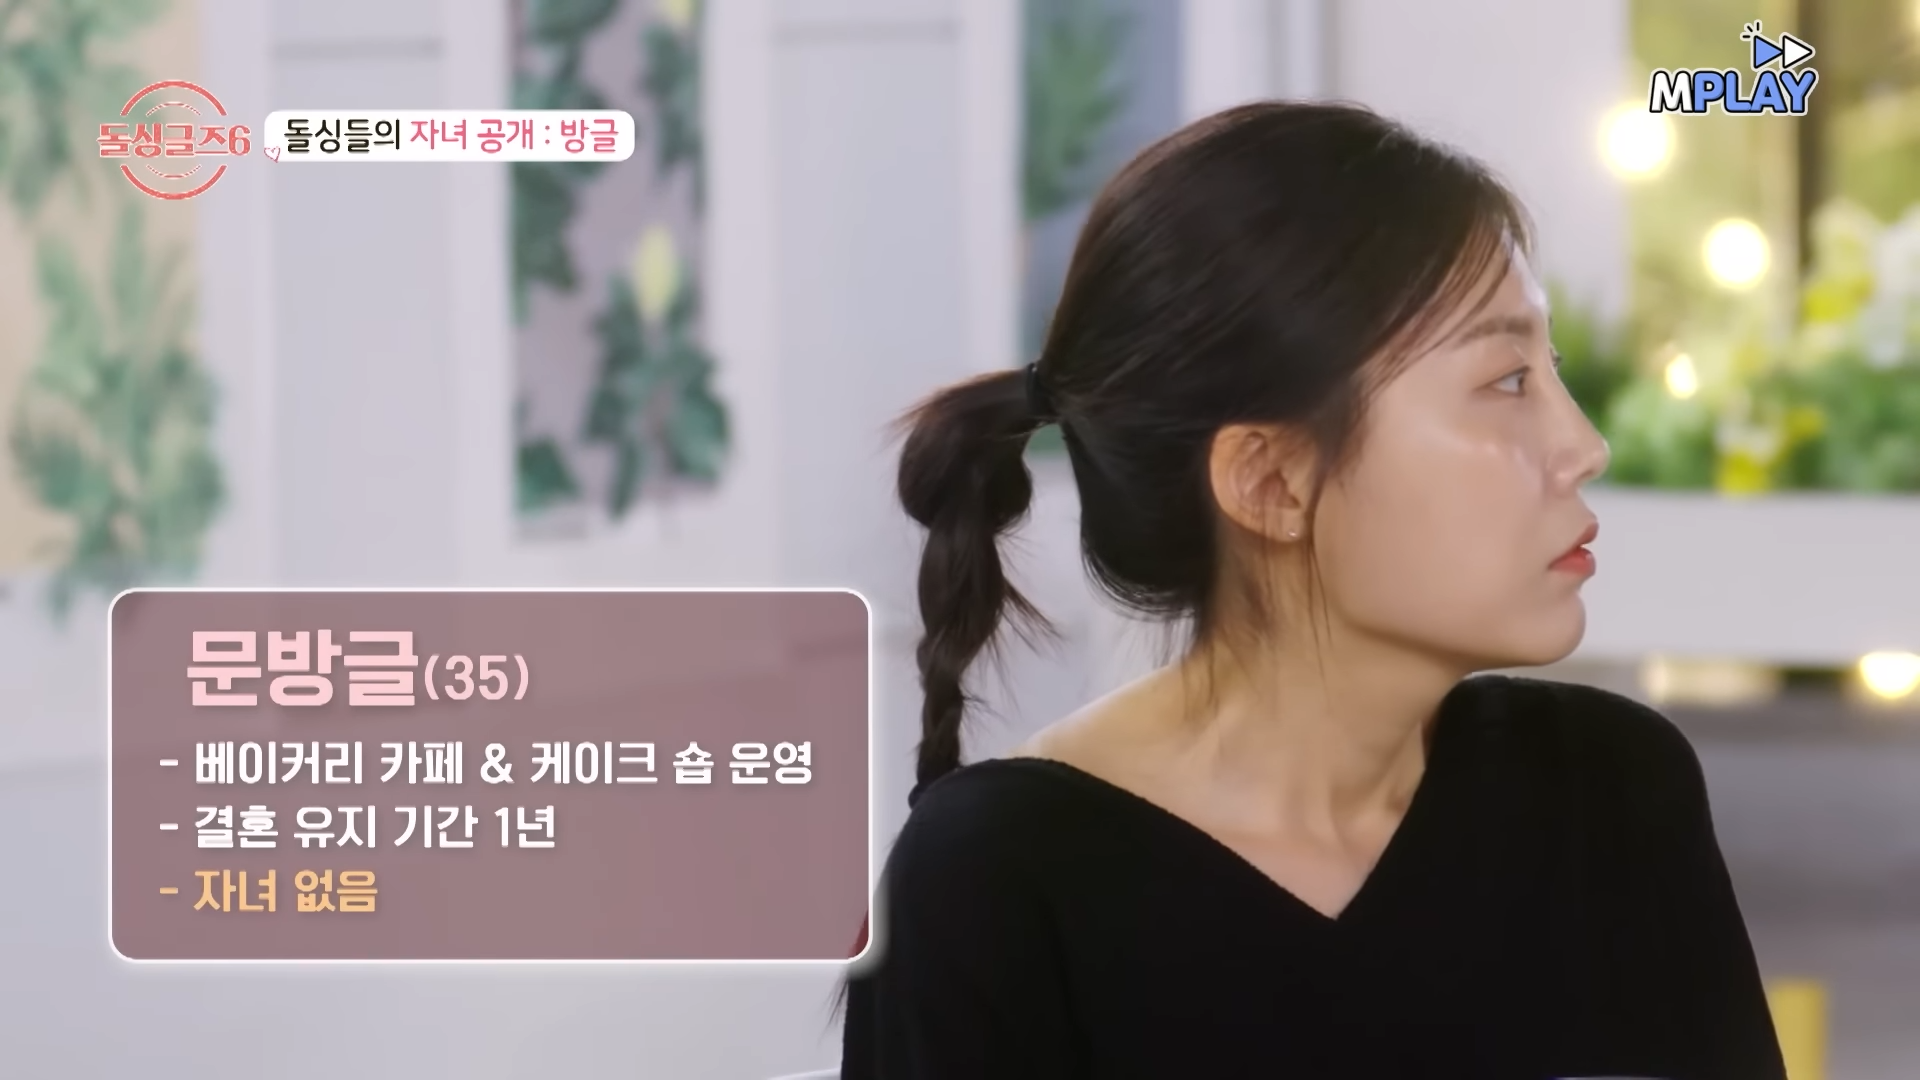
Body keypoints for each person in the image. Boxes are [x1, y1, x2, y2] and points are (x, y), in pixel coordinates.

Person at [838, 101, 1787, 1080]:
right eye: (1507, 382)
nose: (1584, 447)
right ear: (1271, 482)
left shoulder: (1611, 791)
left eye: (1551, 371)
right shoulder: (995, 884)